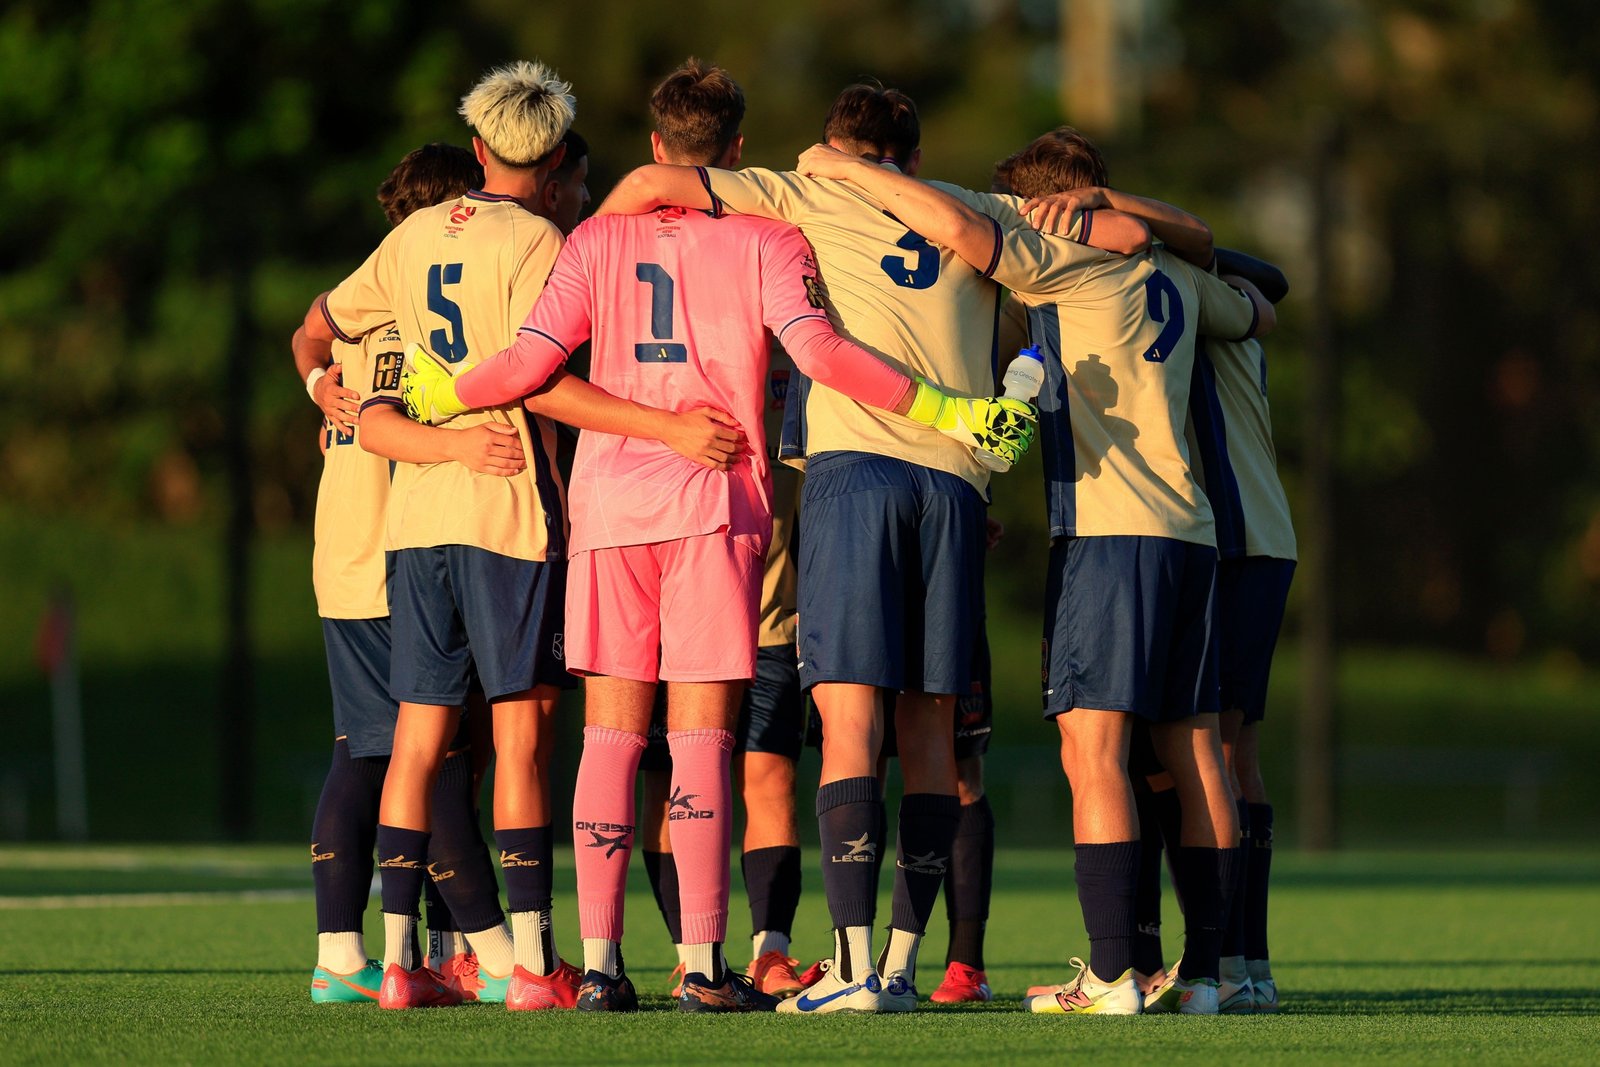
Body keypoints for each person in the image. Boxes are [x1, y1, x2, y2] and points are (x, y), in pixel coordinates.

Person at [400, 60, 1030, 1014]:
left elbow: (529, 364)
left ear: (656, 149)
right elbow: (820, 355)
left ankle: (599, 966)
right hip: (715, 504)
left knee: (610, 737)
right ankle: (701, 964)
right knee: (701, 741)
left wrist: (443, 391)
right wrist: (946, 407)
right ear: (735, 152)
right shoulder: (769, 240)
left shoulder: (594, 240)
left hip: (611, 509)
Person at [593, 82, 1066, 1014]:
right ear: (918, 159)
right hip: (960, 483)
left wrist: (599, 249)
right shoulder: (983, 211)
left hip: (858, 471)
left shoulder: (807, 191)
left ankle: (849, 968)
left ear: (834, 146)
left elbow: (654, 179)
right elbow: (1059, 312)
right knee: (929, 729)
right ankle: (899, 963)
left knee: (849, 722)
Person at [794, 127, 1275, 1015]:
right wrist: (1157, 225)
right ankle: (1209, 975)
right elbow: (1262, 306)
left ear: (1051, 212)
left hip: (1109, 532)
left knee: (1091, 751)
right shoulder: (1177, 278)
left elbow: (959, 233)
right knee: (1197, 747)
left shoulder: (1064, 265)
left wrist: (849, 169)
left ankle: (1109, 973)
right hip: (1195, 536)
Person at [294, 143, 519, 1005]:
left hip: (344, 552)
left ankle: (345, 954)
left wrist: (317, 380)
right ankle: (496, 954)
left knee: (370, 749)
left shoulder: (364, 301)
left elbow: (306, 331)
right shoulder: (424, 314)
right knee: (429, 754)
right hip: (401, 551)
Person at [1188, 247, 1296, 1013]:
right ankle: (1249, 959)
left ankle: (1227, 960)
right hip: (1263, 540)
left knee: (1217, 752)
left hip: (1236, 542)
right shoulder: (1230, 315)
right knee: (1237, 754)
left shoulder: (1206, 307)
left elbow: (1269, 281)